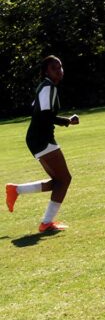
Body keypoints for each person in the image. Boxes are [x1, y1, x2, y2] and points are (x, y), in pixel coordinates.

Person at [6, 55, 79, 233]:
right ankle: (46, 223)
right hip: (41, 139)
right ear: (46, 71)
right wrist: (67, 121)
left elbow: (36, 108)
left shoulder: (45, 87)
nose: (59, 71)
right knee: (65, 180)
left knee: (59, 182)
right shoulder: (48, 87)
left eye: (60, 67)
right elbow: (45, 115)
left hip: (38, 138)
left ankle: (16, 190)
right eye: (55, 68)